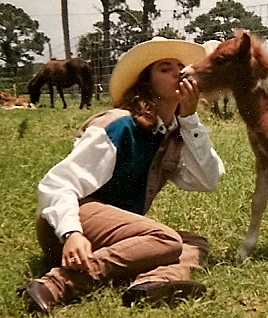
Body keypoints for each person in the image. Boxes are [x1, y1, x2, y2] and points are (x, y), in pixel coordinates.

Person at [18, 37, 225, 312]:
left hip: (117, 235)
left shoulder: (175, 132)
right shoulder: (119, 125)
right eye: (165, 68)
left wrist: (189, 119)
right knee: (166, 240)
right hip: (71, 224)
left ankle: (151, 284)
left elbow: (207, 180)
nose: (179, 72)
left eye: (181, 66)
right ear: (145, 82)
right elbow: (58, 183)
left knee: (194, 243)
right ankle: (56, 283)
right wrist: (71, 233)